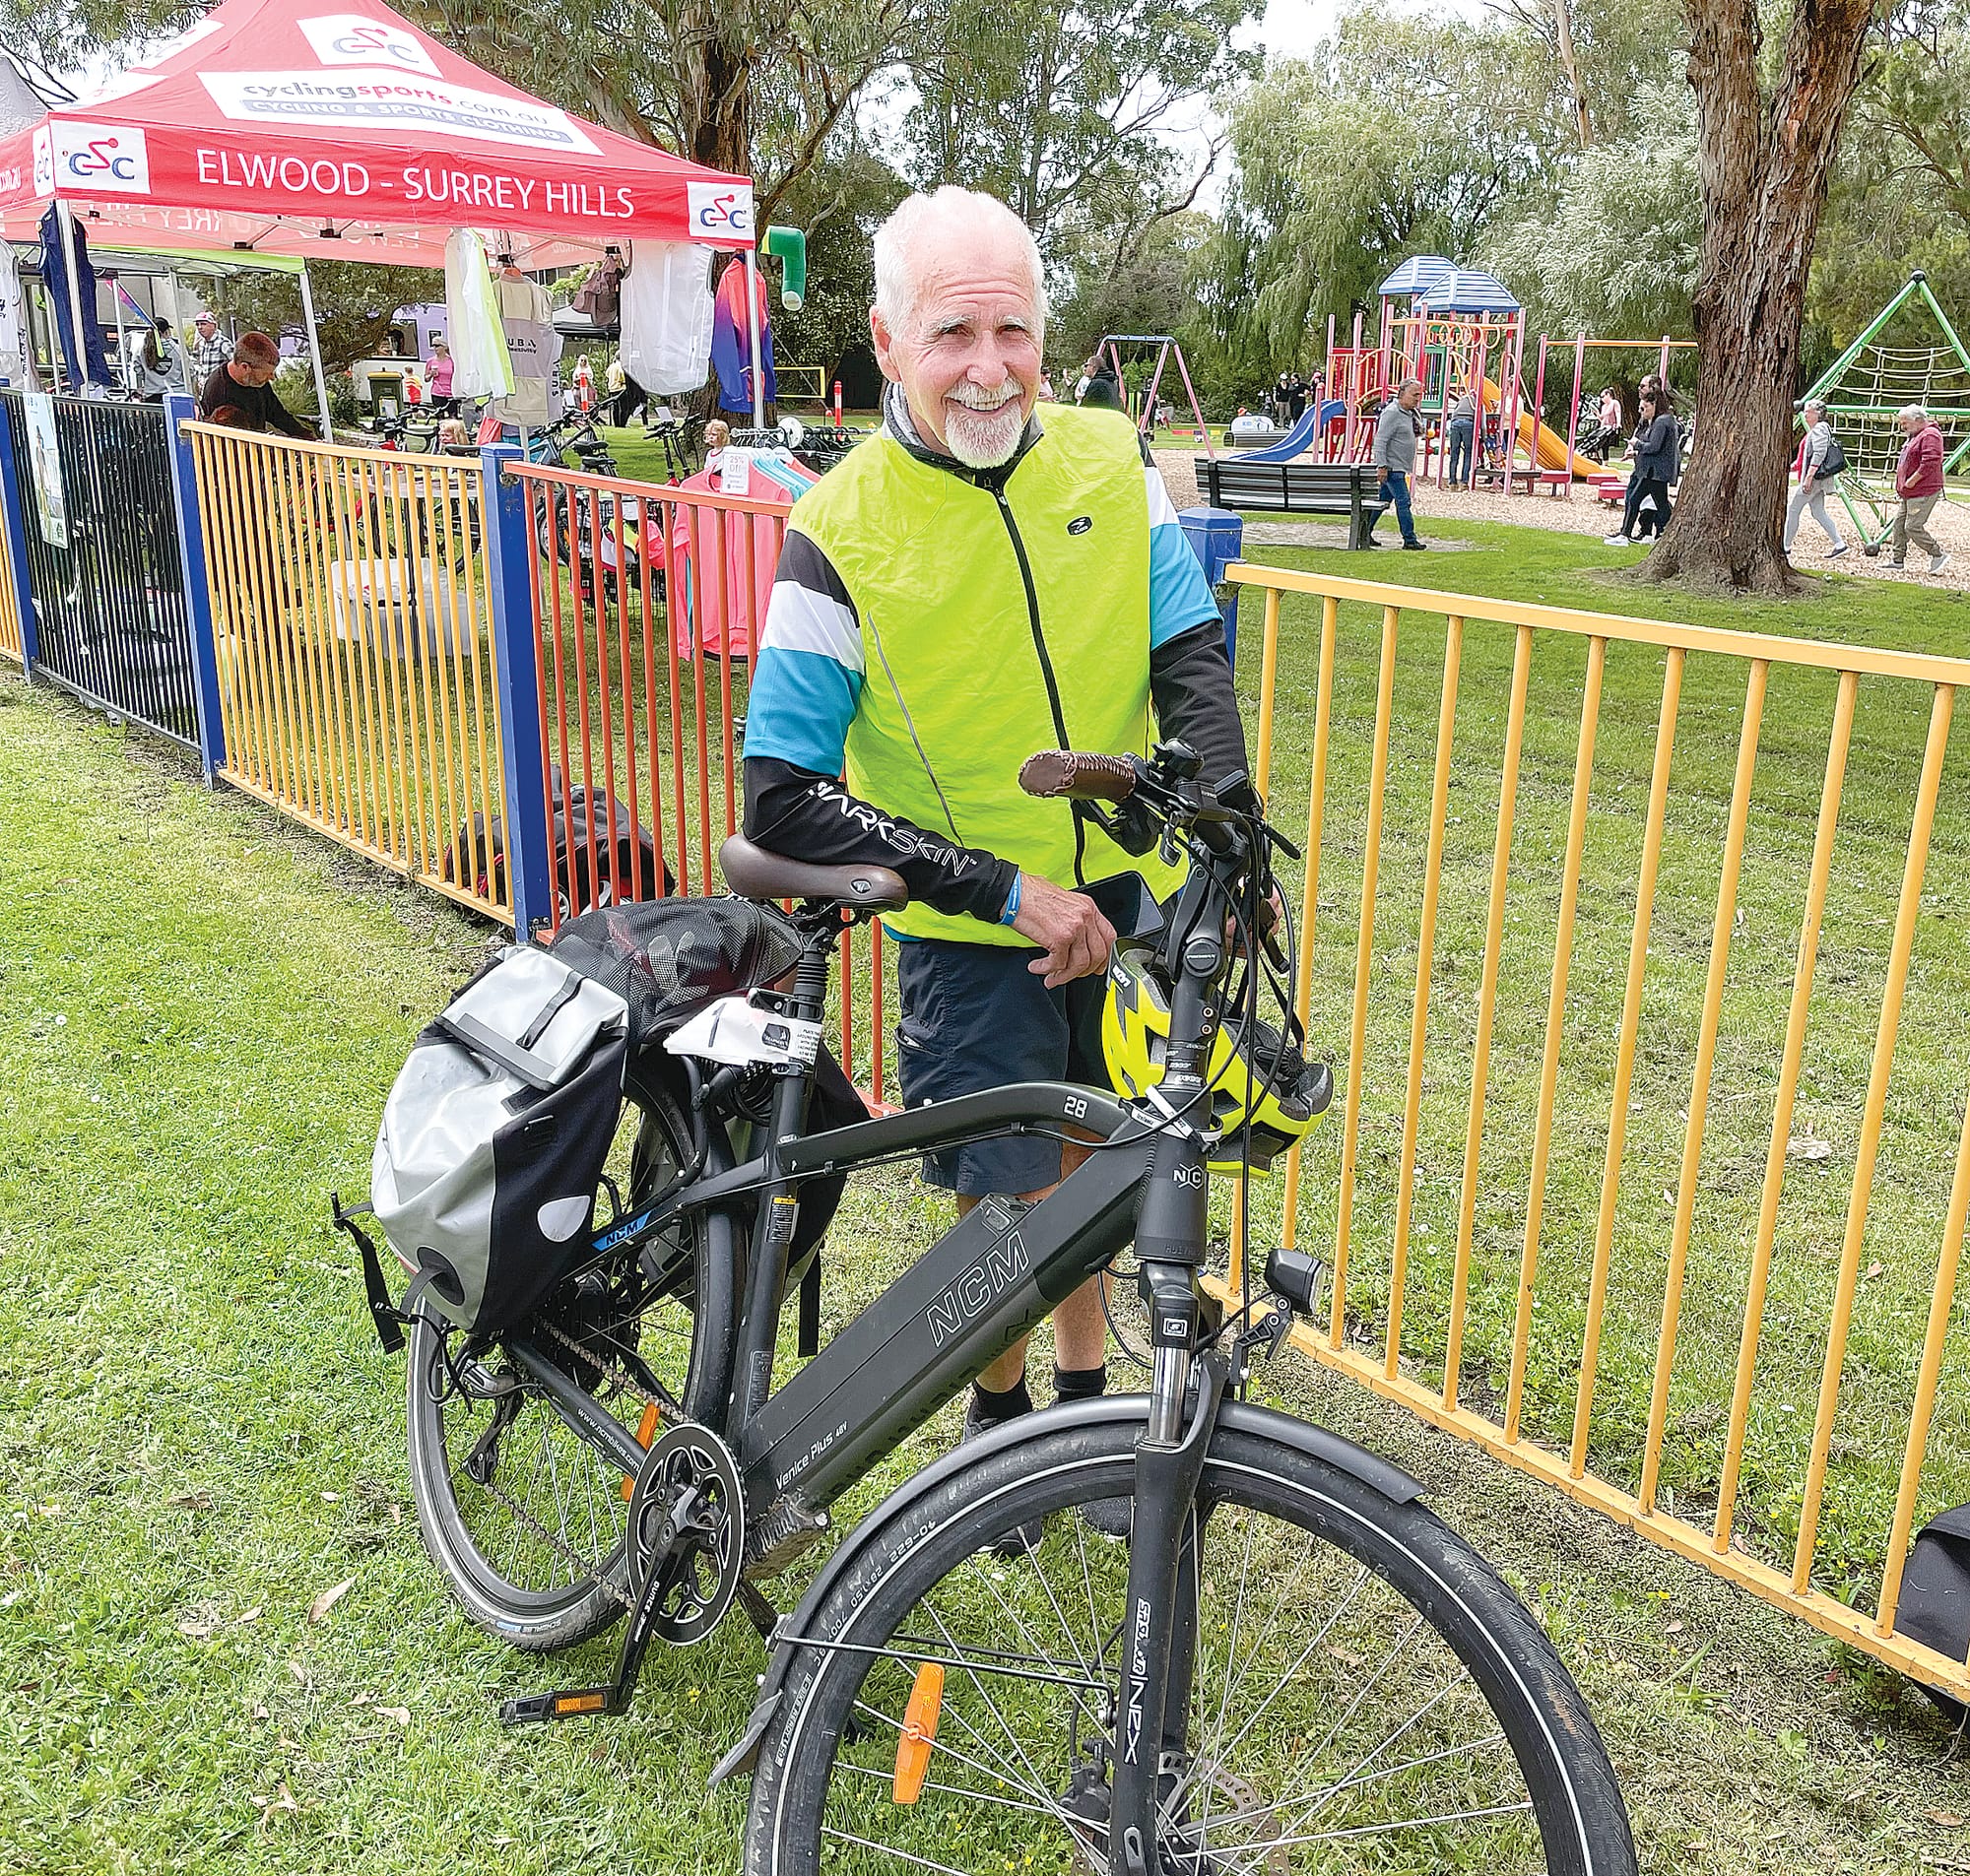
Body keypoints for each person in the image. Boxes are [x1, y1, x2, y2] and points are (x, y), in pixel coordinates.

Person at [740, 186, 1250, 1505]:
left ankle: (1082, 1405)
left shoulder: (1108, 459)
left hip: (1123, 898)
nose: (987, 367)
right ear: (887, 340)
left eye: (1013, 331)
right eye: (951, 331)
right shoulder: (836, 529)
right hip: (970, 929)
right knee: (1006, 1202)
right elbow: (780, 792)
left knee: (1102, 1165)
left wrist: (1231, 831)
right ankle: (1002, 1416)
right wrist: (1011, 893)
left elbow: (1185, 646)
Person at [197, 331, 312, 437]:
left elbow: (277, 414)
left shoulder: (256, 381)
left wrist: (308, 437)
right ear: (245, 367)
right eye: (267, 373)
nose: (272, 377)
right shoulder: (218, 391)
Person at [1605, 386, 1678, 545]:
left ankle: (1625, 534)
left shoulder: (1661, 422)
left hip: (1653, 471)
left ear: (1654, 404)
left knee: (1634, 499)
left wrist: (1637, 444)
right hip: (1656, 471)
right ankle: (1666, 534)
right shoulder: (1662, 421)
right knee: (1661, 504)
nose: (1641, 411)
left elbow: (1654, 447)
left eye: (1644, 407)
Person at [1783, 399, 1848, 560]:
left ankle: (1785, 546)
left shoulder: (1819, 429)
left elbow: (1819, 453)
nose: (1805, 414)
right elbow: (1804, 457)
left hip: (1814, 480)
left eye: (1808, 411)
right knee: (1818, 512)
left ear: (1817, 414)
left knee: (1793, 509)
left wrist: (1809, 477)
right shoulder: (1816, 430)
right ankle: (1840, 544)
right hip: (1816, 480)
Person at [1890, 403, 1949, 574]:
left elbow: (1930, 462)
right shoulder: (1914, 435)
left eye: (1904, 423)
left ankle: (1937, 553)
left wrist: (1911, 481)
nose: (1902, 427)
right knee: (1899, 525)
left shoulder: (1930, 435)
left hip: (1923, 490)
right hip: (1909, 492)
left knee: (1912, 526)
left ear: (1917, 420)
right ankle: (1897, 561)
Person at [1368, 377, 1425, 549]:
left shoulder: (1409, 412)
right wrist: (1382, 465)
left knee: (1381, 501)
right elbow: (1380, 440)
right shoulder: (1392, 412)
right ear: (1402, 393)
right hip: (1392, 468)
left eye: (1419, 395)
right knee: (1403, 501)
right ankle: (1410, 540)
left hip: (1398, 466)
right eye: (1414, 394)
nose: (1417, 398)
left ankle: (1363, 531)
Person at [134, 317, 187, 399]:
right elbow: (190, 371)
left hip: (152, 395)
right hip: (176, 394)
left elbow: (137, 369)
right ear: (165, 332)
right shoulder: (178, 349)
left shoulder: (141, 349)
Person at [1445, 383, 1478, 487]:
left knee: (1454, 453)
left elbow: (1454, 413)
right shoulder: (1477, 402)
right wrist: (1483, 436)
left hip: (1455, 423)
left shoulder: (1461, 401)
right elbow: (1482, 423)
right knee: (1468, 453)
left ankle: (1452, 482)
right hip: (1468, 423)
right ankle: (1464, 481)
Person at [188, 310, 230, 380]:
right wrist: (200, 376)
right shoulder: (201, 343)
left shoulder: (223, 342)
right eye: (197, 324)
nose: (200, 327)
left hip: (220, 386)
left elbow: (235, 363)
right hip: (205, 386)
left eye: (203, 324)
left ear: (213, 326)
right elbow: (194, 361)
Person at [425, 336, 455, 414]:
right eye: (433, 345)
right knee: (440, 417)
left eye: (437, 345)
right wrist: (431, 374)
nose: (435, 348)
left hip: (451, 392)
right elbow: (426, 379)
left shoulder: (452, 361)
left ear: (444, 346)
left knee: (453, 418)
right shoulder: (430, 361)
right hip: (437, 392)